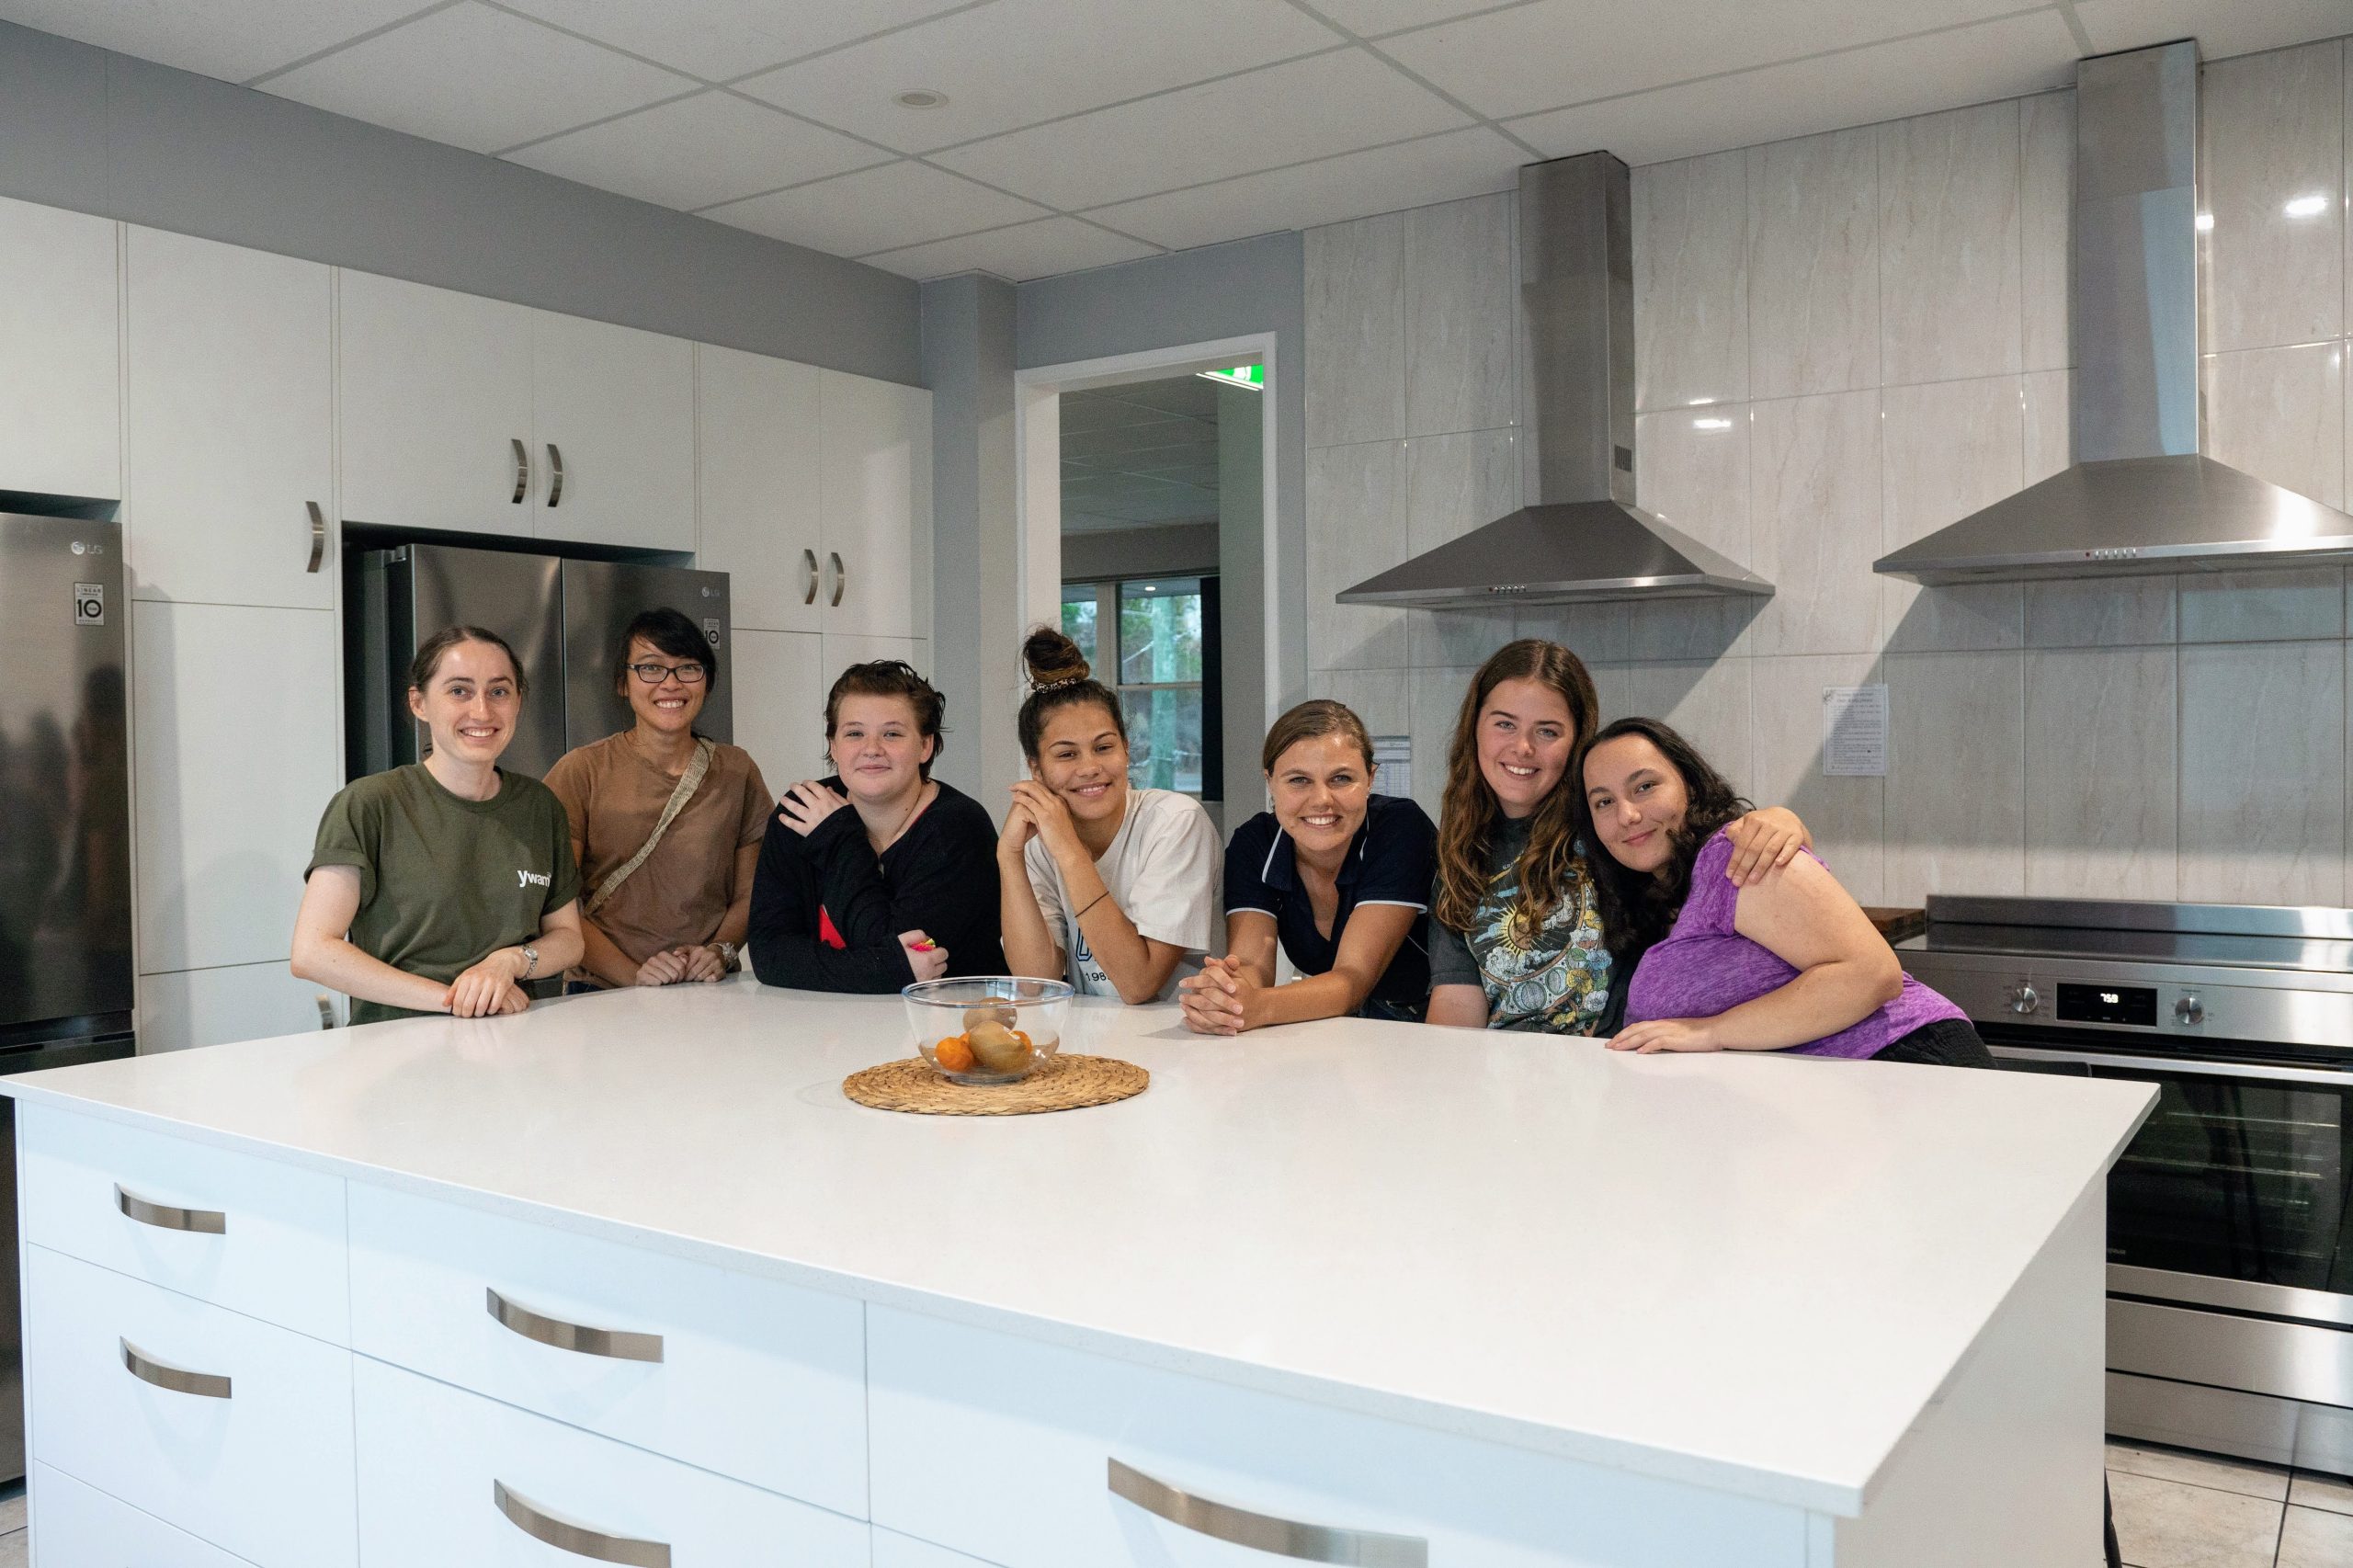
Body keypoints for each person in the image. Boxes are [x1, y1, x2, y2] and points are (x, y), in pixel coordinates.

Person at [1424, 639, 1809, 1034]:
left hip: (1627, 1068)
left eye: (1548, 731)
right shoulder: (1460, 855)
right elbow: (1456, 1003)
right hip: (1506, 1078)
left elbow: (1713, 859)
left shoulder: (1613, 827)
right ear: (1474, 728)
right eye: (1505, 724)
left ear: (1577, 740)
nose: (1523, 748)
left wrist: (1780, 820)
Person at [1577, 716, 1994, 1065]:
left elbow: (1872, 974)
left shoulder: (1733, 855)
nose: (1628, 815)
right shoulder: (1655, 898)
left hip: (1908, 1064)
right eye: (1603, 802)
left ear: (1689, 784)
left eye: (1645, 787)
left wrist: (1712, 1031)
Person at [293, 626, 583, 1025]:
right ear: (419, 702)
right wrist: (458, 998)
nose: (482, 711)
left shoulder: (539, 805)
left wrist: (510, 962)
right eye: (459, 691)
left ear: (518, 702)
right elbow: (312, 952)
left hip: (518, 1042)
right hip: (399, 1047)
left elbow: (568, 939)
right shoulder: (369, 804)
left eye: (499, 691)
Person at [543, 608, 770, 989]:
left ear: (707, 681)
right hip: (602, 994)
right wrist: (635, 978)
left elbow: (752, 893)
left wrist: (719, 951)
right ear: (623, 683)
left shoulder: (737, 771)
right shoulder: (582, 771)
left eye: (688, 668)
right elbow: (556, 906)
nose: (671, 683)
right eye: (651, 668)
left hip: (707, 990)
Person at [746, 660, 1004, 991]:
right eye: (854, 733)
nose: (872, 749)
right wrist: (893, 969)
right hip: (822, 1026)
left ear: (925, 746)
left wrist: (837, 839)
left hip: (947, 1029)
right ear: (834, 746)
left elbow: (891, 944)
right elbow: (770, 957)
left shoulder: (959, 828)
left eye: (892, 734)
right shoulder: (801, 811)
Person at [1179, 700, 1434, 1032]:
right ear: (1270, 782)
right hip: (1335, 1030)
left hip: (1426, 1029)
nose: (1321, 800)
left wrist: (1256, 1005)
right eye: (1299, 780)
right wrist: (1226, 991)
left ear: (1371, 778)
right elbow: (1252, 967)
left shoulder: (1400, 828)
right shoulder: (1255, 843)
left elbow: (1353, 980)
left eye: (1341, 778)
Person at [999, 628, 1218, 1004]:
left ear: (1127, 750)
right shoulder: (1039, 846)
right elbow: (1036, 984)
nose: (1090, 768)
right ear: (1036, 770)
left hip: (1186, 1042)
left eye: (1103, 747)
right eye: (1066, 754)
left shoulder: (1175, 822)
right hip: (1098, 1043)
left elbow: (1138, 984)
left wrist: (1069, 851)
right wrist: (1010, 857)